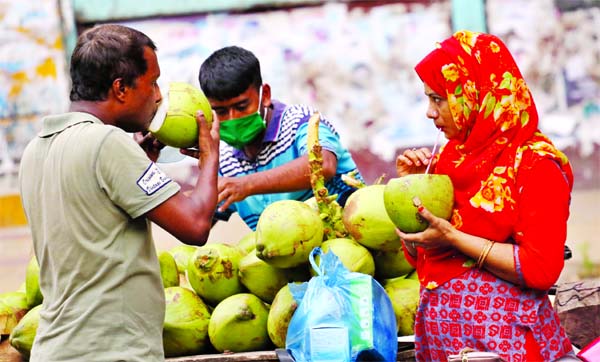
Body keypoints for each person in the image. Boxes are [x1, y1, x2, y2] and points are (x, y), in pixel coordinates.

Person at [18, 24, 220, 361]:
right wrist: (210, 156)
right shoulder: (106, 143)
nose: (158, 96)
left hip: (56, 348)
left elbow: (94, 212)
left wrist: (142, 163)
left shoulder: (36, 149)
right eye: (152, 82)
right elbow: (196, 225)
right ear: (121, 88)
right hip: (110, 350)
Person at [394, 30, 576, 361]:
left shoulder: (536, 165)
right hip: (445, 343)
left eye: (438, 99)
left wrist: (452, 237)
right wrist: (412, 198)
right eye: (428, 98)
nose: (429, 112)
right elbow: (424, 258)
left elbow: (541, 268)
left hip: (507, 346)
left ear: (477, 93)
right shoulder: (453, 157)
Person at [189, 45, 363, 230]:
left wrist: (246, 185)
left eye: (241, 107)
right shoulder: (223, 161)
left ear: (265, 95)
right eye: (221, 111)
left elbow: (324, 165)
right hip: (290, 254)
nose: (233, 118)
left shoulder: (300, 120)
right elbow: (196, 221)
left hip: (352, 240)